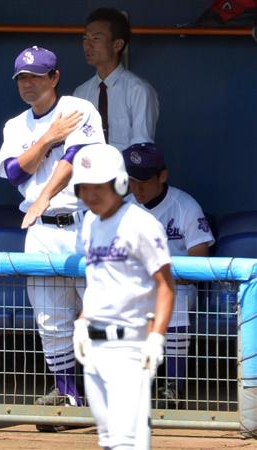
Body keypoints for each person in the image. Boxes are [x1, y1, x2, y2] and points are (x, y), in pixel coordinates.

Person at [0, 45, 105, 430]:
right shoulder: (15, 126)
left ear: (54, 77)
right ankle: (68, 395)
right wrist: (46, 140)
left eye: (36, 76)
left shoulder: (79, 108)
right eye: (22, 77)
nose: (28, 83)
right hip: (40, 230)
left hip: (85, 222)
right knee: (50, 319)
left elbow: (74, 157)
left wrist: (44, 194)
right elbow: (13, 173)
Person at [72, 143, 174, 449]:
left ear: (119, 183)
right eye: (84, 188)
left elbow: (166, 286)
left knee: (126, 442)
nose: (90, 195)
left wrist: (156, 337)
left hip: (130, 344)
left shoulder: (141, 223)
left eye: (98, 187)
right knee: (107, 439)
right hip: (94, 345)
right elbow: (98, 282)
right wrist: (82, 321)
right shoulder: (90, 224)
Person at [123, 142, 215, 408]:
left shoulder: (184, 205)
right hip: (135, 284)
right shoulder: (121, 207)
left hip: (176, 285)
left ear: (162, 176)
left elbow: (199, 260)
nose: (136, 188)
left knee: (176, 300)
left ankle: (173, 383)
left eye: (143, 181)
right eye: (130, 181)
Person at [73, 7, 159, 151]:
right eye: (85, 38)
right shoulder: (80, 94)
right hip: (88, 171)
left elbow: (142, 146)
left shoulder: (138, 90)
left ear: (117, 44)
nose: (88, 45)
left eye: (96, 38)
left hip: (125, 172)